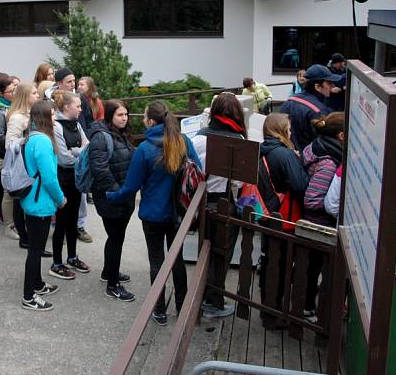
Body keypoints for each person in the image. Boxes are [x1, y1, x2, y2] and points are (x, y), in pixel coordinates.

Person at [107, 101, 201, 326]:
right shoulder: (183, 141)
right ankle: (182, 305)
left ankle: (159, 310)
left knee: (156, 260)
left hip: (153, 214)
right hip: (179, 213)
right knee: (177, 259)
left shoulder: (145, 150)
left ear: (150, 121)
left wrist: (111, 196)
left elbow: (130, 187)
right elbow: (198, 172)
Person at [191, 92, 248, 318]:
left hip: (203, 202)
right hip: (226, 204)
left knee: (203, 251)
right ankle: (214, 301)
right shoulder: (239, 141)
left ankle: (201, 295)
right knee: (222, 254)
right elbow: (240, 181)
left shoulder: (198, 137)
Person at [257, 113, 309, 326]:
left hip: (267, 213)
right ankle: (275, 313)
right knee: (282, 265)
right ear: (282, 130)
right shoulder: (284, 154)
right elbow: (299, 185)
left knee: (270, 261)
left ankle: (267, 308)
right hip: (285, 218)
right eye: (288, 128)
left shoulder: (261, 150)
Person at [88, 99, 136, 301]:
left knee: (116, 237)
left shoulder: (121, 134)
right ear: (109, 116)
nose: (124, 118)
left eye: (126, 115)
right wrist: (119, 193)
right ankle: (113, 285)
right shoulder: (101, 137)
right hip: (111, 198)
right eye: (119, 115)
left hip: (121, 196)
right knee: (116, 239)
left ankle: (109, 272)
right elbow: (100, 170)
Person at [20, 100, 64, 311]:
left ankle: (37, 284)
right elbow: (49, 178)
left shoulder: (32, 137)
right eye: (53, 114)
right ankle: (29, 296)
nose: (55, 118)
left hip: (32, 199)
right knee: (36, 251)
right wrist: (60, 198)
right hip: (41, 201)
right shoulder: (44, 141)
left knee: (36, 248)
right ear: (45, 117)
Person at [301, 112, 345, 321]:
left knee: (310, 267)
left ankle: (306, 304)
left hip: (314, 222)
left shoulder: (318, 145)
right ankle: (307, 307)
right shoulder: (329, 162)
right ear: (342, 136)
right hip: (317, 224)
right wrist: (333, 205)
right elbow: (312, 198)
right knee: (313, 268)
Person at [49, 90, 91, 280]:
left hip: (76, 179)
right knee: (62, 222)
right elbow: (63, 158)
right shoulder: (56, 126)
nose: (81, 109)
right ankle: (57, 263)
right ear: (67, 107)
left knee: (73, 220)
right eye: (78, 106)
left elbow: (87, 147)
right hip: (63, 179)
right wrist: (78, 152)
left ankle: (72, 257)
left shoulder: (76, 124)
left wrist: (76, 151)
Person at [5, 82, 40, 250]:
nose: (38, 96)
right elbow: (10, 144)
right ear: (26, 96)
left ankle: (30, 236)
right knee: (20, 200)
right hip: (22, 165)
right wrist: (27, 137)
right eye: (34, 93)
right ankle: (24, 238)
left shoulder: (30, 114)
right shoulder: (17, 117)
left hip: (30, 163)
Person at [280, 64, 337, 151]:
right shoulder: (318, 111)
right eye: (329, 83)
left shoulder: (289, 101)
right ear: (317, 87)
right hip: (306, 161)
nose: (333, 86)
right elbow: (321, 145)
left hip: (286, 157)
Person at [0, 76, 15, 228]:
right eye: (10, 91)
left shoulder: (12, 106)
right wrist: (16, 135)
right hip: (4, 154)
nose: (13, 93)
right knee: (8, 188)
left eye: (14, 90)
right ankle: (8, 222)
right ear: (0, 93)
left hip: (13, 152)